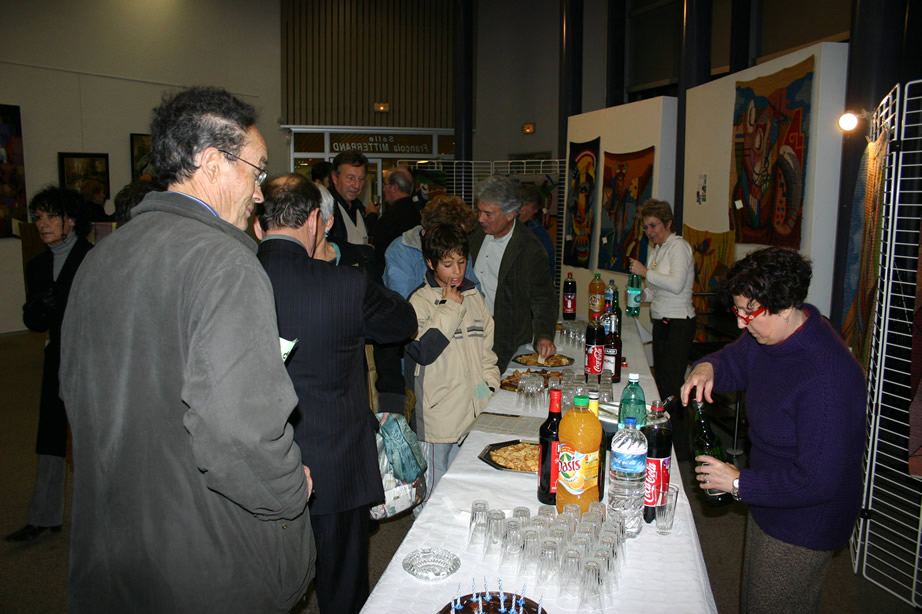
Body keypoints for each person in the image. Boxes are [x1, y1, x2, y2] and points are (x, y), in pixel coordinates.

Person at [59, 86, 315, 613]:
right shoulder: (227, 264)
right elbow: (239, 432)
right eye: (257, 170)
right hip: (207, 561)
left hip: (117, 550)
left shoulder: (100, 259)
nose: (261, 193)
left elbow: (76, 396)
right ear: (210, 163)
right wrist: (291, 488)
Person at [256, 175, 416, 614]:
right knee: (342, 586)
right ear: (315, 221)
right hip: (336, 460)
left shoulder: (230, 278)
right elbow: (401, 323)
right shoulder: (344, 284)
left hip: (255, 462)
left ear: (257, 226)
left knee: (259, 583)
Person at [680, 247, 866, 614]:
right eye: (738, 311)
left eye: (749, 313)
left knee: (775, 603)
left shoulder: (827, 377)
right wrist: (708, 367)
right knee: (758, 597)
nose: (740, 323)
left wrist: (738, 483)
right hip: (771, 493)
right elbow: (736, 357)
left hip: (806, 519)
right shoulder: (771, 334)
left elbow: (817, 481)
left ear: (785, 306)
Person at [5, 187, 92, 543]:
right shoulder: (37, 265)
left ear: (71, 220)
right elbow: (35, 323)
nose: (42, 224)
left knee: (89, 438)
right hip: (56, 355)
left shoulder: (92, 258)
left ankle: (100, 516)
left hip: (89, 358)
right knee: (50, 436)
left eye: (50, 216)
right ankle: (44, 516)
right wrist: (37, 310)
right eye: (38, 217)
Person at [406, 223, 500, 496]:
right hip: (438, 416)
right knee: (433, 489)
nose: (457, 271)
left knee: (464, 485)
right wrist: (448, 307)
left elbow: (486, 351)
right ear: (430, 263)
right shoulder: (419, 302)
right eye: (448, 264)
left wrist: (488, 389)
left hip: (474, 407)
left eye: (461, 262)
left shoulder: (473, 296)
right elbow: (424, 352)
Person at [628, 198, 695, 459]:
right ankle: (668, 440)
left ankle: (682, 451)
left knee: (673, 386)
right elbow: (657, 289)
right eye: (645, 227)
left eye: (654, 226)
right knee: (663, 383)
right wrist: (640, 295)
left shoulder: (679, 247)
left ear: (668, 223)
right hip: (662, 320)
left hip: (679, 321)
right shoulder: (657, 250)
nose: (649, 232)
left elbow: (677, 285)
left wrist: (645, 272)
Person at [470, 175, 557, 372]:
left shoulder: (530, 249)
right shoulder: (474, 234)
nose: (480, 218)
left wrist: (544, 335)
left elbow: (544, 298)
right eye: (479, 211)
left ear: (510, 214)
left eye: (488, 214)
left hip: (505, 340)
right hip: (469, 334)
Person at [383, 194, 478, 300]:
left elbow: (475, 295)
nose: (459, 242)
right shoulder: (401, 250)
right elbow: (405, 303)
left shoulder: (458, 247)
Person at [370, 167, 421, 270]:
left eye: (385, 185)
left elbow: (376, 241)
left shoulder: (393, 214)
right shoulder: (415, 211)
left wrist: (371, 215)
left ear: (394, 188)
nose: (384, 189)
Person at [328, 149, 375, 246]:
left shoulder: (360, 208)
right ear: (334, 178)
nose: (357, 185)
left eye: (361, 179)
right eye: (350, 178)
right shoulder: (325, 208)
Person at [516, 182, 555, 278]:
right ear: (524, 206)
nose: (535, 211)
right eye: (534, 208)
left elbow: (550, 264)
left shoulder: (538, 231)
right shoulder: (499, 228)